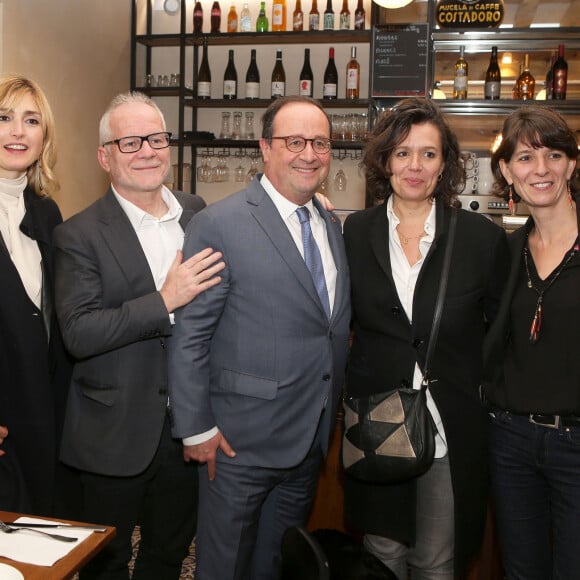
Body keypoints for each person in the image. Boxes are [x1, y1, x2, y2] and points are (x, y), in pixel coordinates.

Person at [168, 95, 351, 580]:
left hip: (307, 439)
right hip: (236, 444)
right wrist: (196, 427)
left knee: (273, 565)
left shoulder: (330, 223)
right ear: (265, 148)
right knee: (224, 567)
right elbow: (190, 334)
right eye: (294, 142)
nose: (308, 154)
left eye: (319, 143)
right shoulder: (219, 223)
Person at [52, 91, 225, 580]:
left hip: (187, 430)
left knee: (168, 557)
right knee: (104, 565)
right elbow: (79, 332)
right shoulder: (78, 234)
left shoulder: (198, 213)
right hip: (113, 435)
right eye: (130, 142)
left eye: (156, 138)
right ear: (105, 156)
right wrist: (164, 300)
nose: (147, 150)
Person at [342, 97, 510, 579]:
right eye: (402, 153)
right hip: (377, 422)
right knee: (382, 555)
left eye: (429, 154)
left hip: (450, 427)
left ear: (446, 164)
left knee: (436, 561)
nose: (415, 166)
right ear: (384, 161)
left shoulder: (480, 238)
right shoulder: (356, 232)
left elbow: (498, 335)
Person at [482, 105, 580, 580]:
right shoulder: (508, 252)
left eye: (553, 155)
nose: (540, 170)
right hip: (511, 441)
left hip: (577, 442)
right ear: (506, 171)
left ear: (572, 164)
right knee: (522, 572)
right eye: (524, 158)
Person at [0, 74, 73, 516]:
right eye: (4, 117)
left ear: (44, 136)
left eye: (31, 120)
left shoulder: (48, 214)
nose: (17, 131)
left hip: (43, 414)